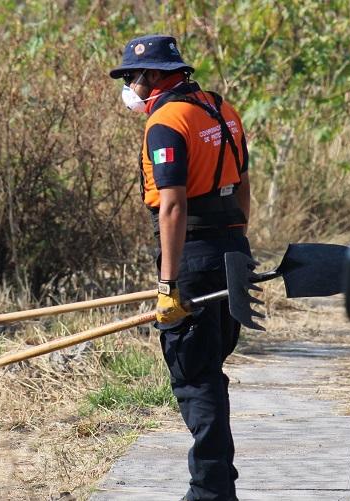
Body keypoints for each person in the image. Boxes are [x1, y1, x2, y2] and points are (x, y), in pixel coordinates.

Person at [109, 35, 252, 501]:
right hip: (231, 248)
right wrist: (238, 244)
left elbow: (172, 206)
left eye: (133, 76)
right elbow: (243, 184)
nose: (130, 85)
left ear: (153, 76)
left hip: (192, 256)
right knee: (210, 367)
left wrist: (168, 285)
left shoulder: (165, 124)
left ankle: (210, 492)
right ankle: (217, 485)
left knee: (194, 373)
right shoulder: (221, 109)